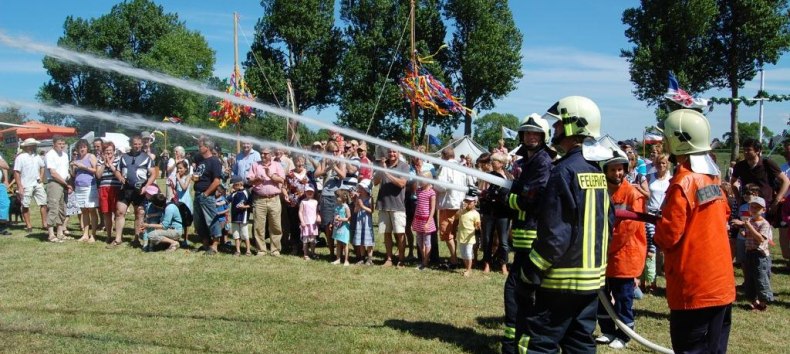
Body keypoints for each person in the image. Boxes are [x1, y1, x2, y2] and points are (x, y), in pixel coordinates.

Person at [520, 96, 612, 353]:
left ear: (574, 127)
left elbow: (555, 234)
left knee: (538, 343)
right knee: (579, 343)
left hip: (560, 281)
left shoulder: (563, 171)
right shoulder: (596, 173)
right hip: (591, 281)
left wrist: (532, 269)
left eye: (559, 124)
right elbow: (608, 223)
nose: (555, 129)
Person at [654, 109, 735, 353]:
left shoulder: (683, 182)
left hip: (694, 289)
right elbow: (723, 216)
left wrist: (658, 226)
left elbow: (669, 235)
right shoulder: (711, 179)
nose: (662, 141)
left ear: (678, 140)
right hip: (720, 286)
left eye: (665, 137)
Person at [500, 113, 554, 354]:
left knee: (519, 290)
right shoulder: (525, 161)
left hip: (533, 236)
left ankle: (517, 342)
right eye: (527, 132)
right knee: (518, 290)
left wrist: (507, 198)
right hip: (523, 235)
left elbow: (533, 199)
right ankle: (516, 339)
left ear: (544, 137)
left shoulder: (543, 161)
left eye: (536, 133)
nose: (530, 136)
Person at [595, 152, 647, 350]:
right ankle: (607, 330)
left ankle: (624, 335)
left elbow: (627, 230)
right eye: (613, 169)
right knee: (601, 296)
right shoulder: (601, 192)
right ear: (605, 171)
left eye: (620, 169)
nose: (617, 173)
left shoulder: (633, 194)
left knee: (623, 298)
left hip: (624, 255)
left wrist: (604, 249)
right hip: (605, 254)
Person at [730, 138, 789, 226]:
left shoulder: (767, 163)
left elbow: (786, 181)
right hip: (747, 204)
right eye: (744, 150)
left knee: (762, 233)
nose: (745, 152)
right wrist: (739, 199)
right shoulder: (740, 166)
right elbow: (733, 182)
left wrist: (776, 201)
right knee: (744, 232)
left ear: (758, 151)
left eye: (749, 150)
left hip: (765, 205)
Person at [731, 196, 774, 311]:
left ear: (763, 210)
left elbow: (760, 238)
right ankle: (754, 301)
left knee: (761, 278)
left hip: (760, 256)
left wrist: (748, 225)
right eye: (752, 207)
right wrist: (743, 230)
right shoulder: (750, 221)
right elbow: (748, 236)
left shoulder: (764, 223)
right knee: (749, 278)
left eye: (757, 207)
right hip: (749, 253)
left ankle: (763, 302)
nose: (754, 209)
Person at [112, 135, 156, 247]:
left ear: (142, 144)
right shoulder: (123, 157)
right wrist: (120, 177)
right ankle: (117, 239)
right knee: (119, 212)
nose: (137, 146)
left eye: (139, 144)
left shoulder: (147, 157)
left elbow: (154, 173)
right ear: (131, 144)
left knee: (139, 213)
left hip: (139, 190)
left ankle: (136, 239)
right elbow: (117, 170)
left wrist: (146, 187)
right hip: (125, 189)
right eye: (135, 144)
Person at [373, 145, 409, 267]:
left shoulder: (404, 166)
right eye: (390, 152)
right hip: (383, 204)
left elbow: (402, 183)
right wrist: (381, 169)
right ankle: (388, 258)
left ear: (398, 153)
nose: (392, 154)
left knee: (400, 234)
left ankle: (401, 259)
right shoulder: (383, 165)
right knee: (386, 233)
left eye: (394, 151)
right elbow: (375, 182)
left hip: (397, 206)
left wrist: (387, 173)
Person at [248, 146, 285, 256]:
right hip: (259, 199)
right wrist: (258, 179)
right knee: (259, 226)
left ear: (271, 155)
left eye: (265, 153)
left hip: (274, 199)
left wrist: (271, 176)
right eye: (262, 153)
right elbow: (250, 181)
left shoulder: (277, 165)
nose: (263, 155)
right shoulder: (255, 165)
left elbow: (282, 180)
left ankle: (275, 249)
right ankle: (261, 249)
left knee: (276, 225)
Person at [434, 147, 467, 268]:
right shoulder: (460, 167)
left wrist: (433, 183)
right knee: (453, 231)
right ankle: (454, 258)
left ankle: (453, 260)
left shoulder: (445, 167)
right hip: (459, 203)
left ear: (444, 156)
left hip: (448, 203)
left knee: (446, 232)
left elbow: (442, 186)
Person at [642, 153, 671, 294]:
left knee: (664, 248)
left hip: (664, 215)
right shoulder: (649, 177)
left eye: (664, 163)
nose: (661, 165)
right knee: (651, 249)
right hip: (650, 215)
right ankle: (651, 281)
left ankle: (666, 278)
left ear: (667, 165)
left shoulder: (671, 180)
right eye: (659, 163)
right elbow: (645, 194)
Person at [481, 153, 512, 274]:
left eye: (495, 160)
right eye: (492, 160)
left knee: (503, 241)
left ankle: (503, 265)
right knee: (487, 239)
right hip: (490, 211)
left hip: (504, 213)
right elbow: (482, 192)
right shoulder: (488, 176)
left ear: (502, 164)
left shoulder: (510, 177)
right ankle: (487, 264)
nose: (492, 162)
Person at [192, 137, 223, 255]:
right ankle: (205, 244)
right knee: (199, 221)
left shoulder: (214, 161)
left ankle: (214, 246)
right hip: (198, 194)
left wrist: (206, 193)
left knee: (211, 220)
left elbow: (216, 181)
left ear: (207, 147)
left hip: (206, 195)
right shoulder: (201, 160)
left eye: (200, 146)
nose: (198, 148)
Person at [315, 141, 346, 258]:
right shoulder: (323, 160)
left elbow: (343, 175)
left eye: (336, 151)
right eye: (331, 151)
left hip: (337, 196)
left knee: (339, 223)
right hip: (326, 195)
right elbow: (316, 174)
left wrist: (335, 167)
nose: (334, 153)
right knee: (328, 225)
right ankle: (332, 251)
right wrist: (327, 168)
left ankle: (341, 251)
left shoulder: (341, 161)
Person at [13, 138, 47, 232]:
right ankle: (28, 225)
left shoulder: (37, 156)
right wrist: (20, 186)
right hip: (26, 184)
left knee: (43, 203)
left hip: (37, 183)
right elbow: (16, 172)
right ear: (28, 146)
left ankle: (45, 224)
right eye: (33, 145)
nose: (35, 146)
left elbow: (42, 166)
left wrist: (40, 177)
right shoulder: (20, 157)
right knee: (25, 205)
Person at [71, 139, 99, 243]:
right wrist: (73, 167)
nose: (82, 149)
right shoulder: (76, 158)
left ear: (87, 147)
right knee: (84, 211)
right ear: (77, 149)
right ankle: (85, 234)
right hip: (79, 187)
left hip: (89, 186)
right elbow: (74, 175)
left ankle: (94, 235)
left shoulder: (91, 156)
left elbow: (95, 170)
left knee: (91, 210)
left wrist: (84, 167)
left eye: (84, 147)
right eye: (80, 147)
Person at [44, 136, 72, 243]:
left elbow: (66, 171)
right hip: (54, 183)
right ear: (54, 144)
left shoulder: (65, 155)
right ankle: (51, 234)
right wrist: (65, 183)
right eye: (60, 143)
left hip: (64, 183)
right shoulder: (50, 155)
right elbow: (53, 173)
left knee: (62, 208)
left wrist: (68, 183)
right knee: (53, 207)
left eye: (63, 143)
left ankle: (60, 232)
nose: (62, 145)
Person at [95, 141, 123, 243]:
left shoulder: (119, 160)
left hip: (115, 188)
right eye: (106, 151)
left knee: (117, 212)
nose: (108, 153)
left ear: (114, 151)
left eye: (110, 151)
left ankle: (118, 236)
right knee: (106, 212)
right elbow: (98, 175)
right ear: (103, 152)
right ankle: (108, 235)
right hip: (103, 188)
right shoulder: (99, 161)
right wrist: (104, 164)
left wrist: (110, 165)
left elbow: (119, 175)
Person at [285, 156, 310, 255]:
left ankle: (306, 248)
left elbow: (314, 187)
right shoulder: (290, 174)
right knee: (294, 225)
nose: (299, 164)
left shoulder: (309, 174)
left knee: (306, 225)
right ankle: (295, 247)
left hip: (307, 203)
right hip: (293, 204)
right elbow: (284, 187)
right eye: (297, 162)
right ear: (294, 162)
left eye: (302, 162)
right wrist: (286, 195)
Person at [412, 171, 436, 270]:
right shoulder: (418, 191)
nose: (421, 181)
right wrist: (414, 220)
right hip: (418, 219)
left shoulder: (431, 193)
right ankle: (423, 259)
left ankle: (426, 262)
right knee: (419, 241)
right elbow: (417, 207)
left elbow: (433, 208)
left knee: (427, 242)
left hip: (426, 220)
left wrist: (428, 222)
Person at [454, 192, 481, 277]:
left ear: (475, 203)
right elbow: (456, 217)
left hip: (470, 237)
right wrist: (460, 209)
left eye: (470, 201)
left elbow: (477, 226)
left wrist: (478, 226)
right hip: (461, 236)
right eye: (466, 201)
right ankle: (467, 268)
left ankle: (469, 270)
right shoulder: (462, 211)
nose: (468, 203)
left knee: (468, 253)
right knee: (463, 254)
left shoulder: (476, 214)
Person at [352, 179, 374, 265]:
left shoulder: (370, 199)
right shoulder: (358, 198)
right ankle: (362, 257)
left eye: (361, 187)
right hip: (359, 221)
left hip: (367, 221)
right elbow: (355, 211)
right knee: (361, 240)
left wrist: (362, 206)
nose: (359, 189)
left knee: (368, 240)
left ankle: (370, 259)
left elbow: (371, 211)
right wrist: (357, 205)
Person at [229, 176, 252, 256]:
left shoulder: (246, 192)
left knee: (245, 234)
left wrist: (244, 207)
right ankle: (238, 250)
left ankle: (248, 250)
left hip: (243, 216)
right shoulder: (234, 193)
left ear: (239, 184)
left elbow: (251, 204)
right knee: (236, 234)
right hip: (235, 217)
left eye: (234, 185)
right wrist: (231, 193)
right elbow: (227, 200)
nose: (233, 187)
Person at [174, 160, 193, 247]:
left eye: (181, 168)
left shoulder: (188, 176)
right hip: (178, 201)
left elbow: (184, 187)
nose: (179, 170)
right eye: (178, 168)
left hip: (185, 202)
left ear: (185, 169)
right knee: (178, 220)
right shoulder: (176, 177)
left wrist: (178, 178)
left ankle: (186, 238)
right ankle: (177, 238)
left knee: (186, 221)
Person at [299, 185, 320, 260]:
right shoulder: (303, 202)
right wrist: (302, 221)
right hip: (306, 224)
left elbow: (317, 212)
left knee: (313, 240)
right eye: (308, 191)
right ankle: (305, 254)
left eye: (311, 192)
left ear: (314, 193)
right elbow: (300, 212)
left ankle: (313, 252)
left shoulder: (315, 202)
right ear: (305, 192)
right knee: (305, 240)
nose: (310, 193)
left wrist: (318, 217)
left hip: (313, 224)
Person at [331, 189, 351, 266]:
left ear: (343, 198)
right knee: (338, 243)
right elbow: (335, 215)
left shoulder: (345, 207)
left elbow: (349, 218)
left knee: (345, 243)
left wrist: (340, 219)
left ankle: (346, 260)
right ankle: (338, 259)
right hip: (337, 227)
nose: (335, 198)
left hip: (344, 227)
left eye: (337, 197)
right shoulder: (337, 206)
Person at [0, 151, 10, 235]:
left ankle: (2, 227)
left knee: (5, 204)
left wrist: (6, 180)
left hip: (0, 184)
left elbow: (6, 166)